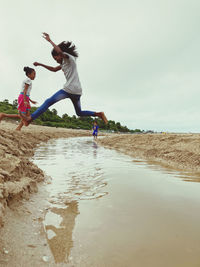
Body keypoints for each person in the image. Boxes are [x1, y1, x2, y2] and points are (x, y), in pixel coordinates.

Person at [22, 33, 108, 126]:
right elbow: (54, 69)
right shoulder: (63, 64)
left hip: (68, 89)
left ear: (59, 55)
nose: (56, 60)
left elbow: (60, 52)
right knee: (79, 112)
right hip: (77, 92)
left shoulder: (69, 58)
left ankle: (29, 118)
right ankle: (98, 114)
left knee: (48, 101)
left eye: (56, 58)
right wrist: (40, 64)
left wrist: (50, 41)